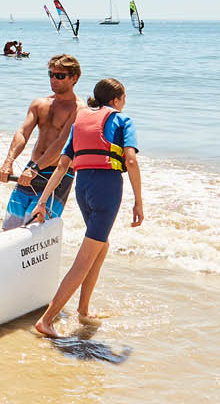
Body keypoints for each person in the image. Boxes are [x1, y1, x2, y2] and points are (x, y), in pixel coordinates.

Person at [30, 78, 142, 337]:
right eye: (124, 99)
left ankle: (83, 309)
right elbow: (132, 161)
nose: (124, 104)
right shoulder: (122, 121)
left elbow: (61, 165)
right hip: (106, 190)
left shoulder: (80, 120)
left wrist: (42, 201)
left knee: (101, 247)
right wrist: (139, 201)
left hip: (84, 189)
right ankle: (47, 319)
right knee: (85, 259)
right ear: (116, 100)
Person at [0, 53, 80, 232]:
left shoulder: (79, 109)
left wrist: (35, 168)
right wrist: (8, 162)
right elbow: (23, 133)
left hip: (58, 173)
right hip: (31, 169)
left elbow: (61, 143)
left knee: (34, 227)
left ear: (74, 78)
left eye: (60, 76)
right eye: (51, 74)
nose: (54, 79)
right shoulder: (39, 104)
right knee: (10, 226)